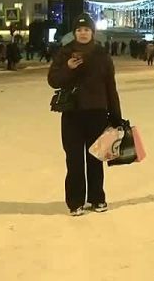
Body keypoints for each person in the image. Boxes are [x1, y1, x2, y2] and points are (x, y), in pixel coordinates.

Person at [47, 14, 123, 216]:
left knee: (95, 158)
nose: (83, 33)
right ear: (74, 33)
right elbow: (53, 80)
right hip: (72, 113)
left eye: (86, 30)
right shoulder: (65, 53)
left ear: (92, 32)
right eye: (79, 30)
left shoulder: (101, 54)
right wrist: (68, 68)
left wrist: (115, 115)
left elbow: (110, 87)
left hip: (97, 112)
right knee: (74, 160)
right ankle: (75, 202)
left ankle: (97, 198)